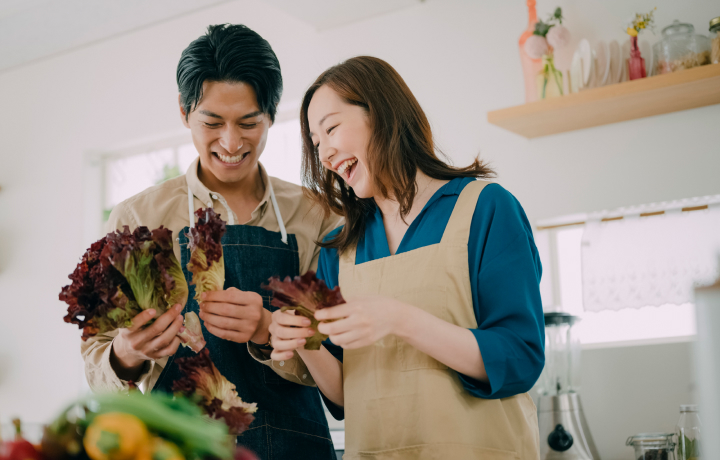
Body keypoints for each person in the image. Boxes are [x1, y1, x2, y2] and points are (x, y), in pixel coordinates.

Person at [80, 24, 342, 459]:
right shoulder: (139, 218)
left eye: (249, 122)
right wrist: (126, 353)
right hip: (179, 447)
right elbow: (96, 358)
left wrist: (267, 332)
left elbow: (336, 359)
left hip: (296, 447)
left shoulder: (316, 215)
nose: (231, 142)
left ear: (271, 116)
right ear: (185, 113)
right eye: (212, 122)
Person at [268, 56, 545, 459]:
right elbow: (348, 395)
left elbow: (519, 357)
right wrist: (304, 343)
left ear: (381, 113)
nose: (324, 153)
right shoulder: (338, 250)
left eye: (331, 128)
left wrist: (398, 319)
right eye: (315, 142)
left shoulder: (486, 209)